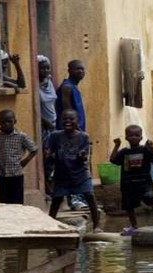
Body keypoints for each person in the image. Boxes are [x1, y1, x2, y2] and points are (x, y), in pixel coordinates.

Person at [110, 125, 153, 236]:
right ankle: (133, 226)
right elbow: (113, 160)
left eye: (136, 135)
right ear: (126, 137)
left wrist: (151, 147)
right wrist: (116, 146)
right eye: (131, 135)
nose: (134, 137)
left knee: (151, 198)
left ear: (141, 137)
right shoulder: (124, 152)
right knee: (129, 205)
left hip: (144, 182)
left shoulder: (145, 150)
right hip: (128, 183)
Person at [46, 110, 100, 231]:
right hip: (62, 175)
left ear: (77, 121)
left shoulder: (83, 136)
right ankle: (49, 225)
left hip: (80, 174)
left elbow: (85, 156)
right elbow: (49, 152)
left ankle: (97, 225)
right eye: (65, 119)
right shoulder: (55, 136)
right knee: (56, 200)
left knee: (90, 196)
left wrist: (82, 155)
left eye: (71, 119)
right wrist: (48, 155)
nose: (67, 121)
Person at [55, 59, 89, 211]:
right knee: (71, 166)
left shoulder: (74, 87)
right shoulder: (67, 88)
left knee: (79, 164)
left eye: (82, 69)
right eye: (77, 69)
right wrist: (74, 131)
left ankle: (79, 197)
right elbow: (67, 113)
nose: (81, 72)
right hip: (71, 136)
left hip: (78, 133)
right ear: (69, 70)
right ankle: (74, 199)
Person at [0, 109, 38, 204]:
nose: (6, 124)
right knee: (4, 200)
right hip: (2, 174)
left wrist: (25, 161)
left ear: (15, 122)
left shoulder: (21, 136)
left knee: (17, 201)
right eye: (3, 122)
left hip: (16, 173)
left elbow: (34, 149)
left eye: (9, 121)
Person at [37, 55, 57, 198]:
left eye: (47, 68)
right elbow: (35, 107)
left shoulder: (48, 83)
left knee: (53, 156)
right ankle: (47, 186)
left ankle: (52, 183)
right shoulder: (36, 86)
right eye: (42, 68)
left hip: (53, 123)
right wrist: (44, 121)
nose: (45, 71)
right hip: (45, 126)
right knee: (46, 156)